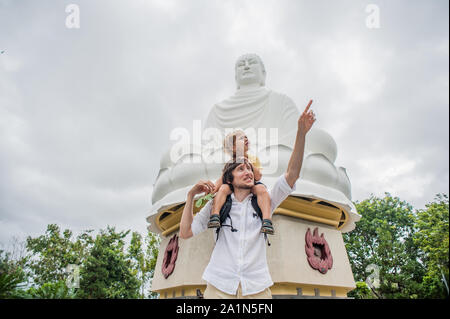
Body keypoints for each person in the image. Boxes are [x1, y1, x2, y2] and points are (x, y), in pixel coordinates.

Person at [179, 100, 316, 299]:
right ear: (230, 177)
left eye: (249, 168)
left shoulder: (264, 200)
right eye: (241, 168)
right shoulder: (219, 201)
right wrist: (190, 196)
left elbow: (291, 174)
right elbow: (185, 232)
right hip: (219, 286)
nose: (248, 171)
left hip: (257, 287)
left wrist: (301, 133)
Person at [207, 130, 274, 235]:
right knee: (223, 188)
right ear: (233, 147)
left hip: (251, 185)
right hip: (235, 185)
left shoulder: (252, 158)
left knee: (261, 189)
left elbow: (258, 176)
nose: (246, 139)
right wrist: (212, 189)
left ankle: (267, 220)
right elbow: (223, 178)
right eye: (242, 138)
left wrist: (247, 161)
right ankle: (215, 215)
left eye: (246, 137)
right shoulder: (231, 163)